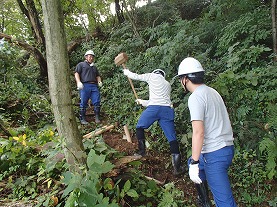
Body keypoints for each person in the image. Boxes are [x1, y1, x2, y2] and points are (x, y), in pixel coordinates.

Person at [177, 57, 237, 207]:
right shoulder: (212, 91)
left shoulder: (195, 97)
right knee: (191, 162)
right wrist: (194, 162)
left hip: (214, 154)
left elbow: (198, 132)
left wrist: (196, 162)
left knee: (224, 202)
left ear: (185, 79)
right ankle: (204, 201)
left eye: (180, 79)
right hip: (226, 148)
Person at [123, 68, 185, 176]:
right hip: (167, 110)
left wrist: (127, 73)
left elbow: (137, 76)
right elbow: (158, 100)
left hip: (155, 109)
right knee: (172, 138)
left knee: (139, 126)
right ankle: (177, 168)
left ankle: (142, 152)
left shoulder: (152, 76)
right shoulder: (167, 84)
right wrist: (142, 102)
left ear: (155, 73)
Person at [75, 50, 102, 125]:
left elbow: (98, 76)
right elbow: (76, 73)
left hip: (94, 86)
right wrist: (78, 82)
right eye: (90, 56)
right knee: (83, 102)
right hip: (84, 85)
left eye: (92, 56)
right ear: (86, 57)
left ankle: (97, 117)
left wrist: (99, 81)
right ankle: (82, 118)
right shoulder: (81, 65)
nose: (91, 58)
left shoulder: (94, 67)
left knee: (97, 101)